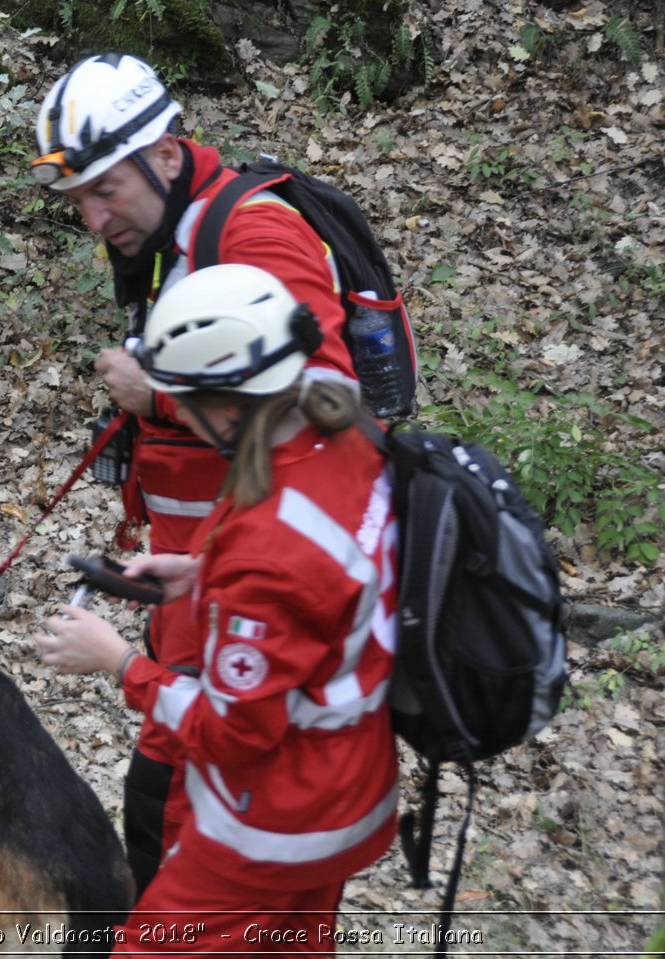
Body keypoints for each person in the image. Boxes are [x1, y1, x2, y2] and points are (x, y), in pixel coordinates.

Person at [30, 52, 358, 891]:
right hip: (201, 580)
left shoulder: (250, 232)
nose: (95, 221)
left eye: (106, 192)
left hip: (249, 603)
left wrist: (161, 392)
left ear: (167, 157)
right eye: (79, 204)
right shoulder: (173, 234)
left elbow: (328, 397)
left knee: (174, 837)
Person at [35, 264, 398, 956]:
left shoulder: (271, 545)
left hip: (275, 820)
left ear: (229, 407)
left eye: (186, 402)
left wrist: (119, 662)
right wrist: (204, 575)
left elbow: (232, 729)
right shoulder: (342, 438)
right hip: (353, 783)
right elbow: (327, 584)